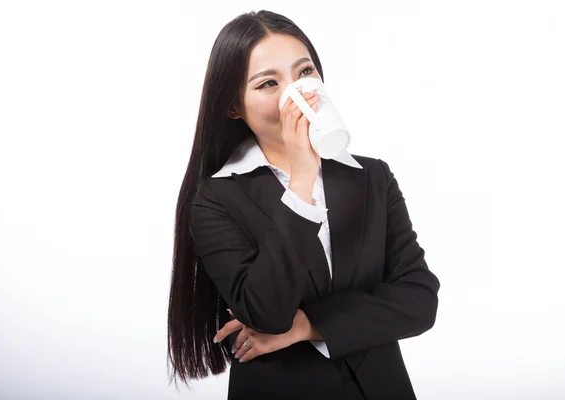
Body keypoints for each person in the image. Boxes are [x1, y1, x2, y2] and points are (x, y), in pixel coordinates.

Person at [167, 9, 440, 400]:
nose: (296, 94)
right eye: (268, 84)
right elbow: (267, 314)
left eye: (304, 72)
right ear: (232, 107)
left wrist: (309, 324)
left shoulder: (372, 177)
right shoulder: (216, 199)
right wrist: (301, 180)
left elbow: (419, 300)